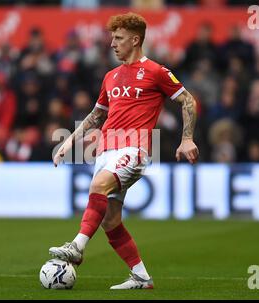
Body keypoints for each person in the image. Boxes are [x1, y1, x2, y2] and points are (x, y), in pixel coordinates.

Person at [50, 12, 199, 289]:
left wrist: (187, 138)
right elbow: (96, 115)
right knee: (110, 220)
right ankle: (141, 276)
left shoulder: (157, 71)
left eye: (118, 38)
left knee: (98, 185)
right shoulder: (110, 76)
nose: (112, 44)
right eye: (112, 38)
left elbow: (188, 101)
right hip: (106, 150)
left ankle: (77, 247)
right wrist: (69, 141)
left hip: (135, 149)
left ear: (135, 39)